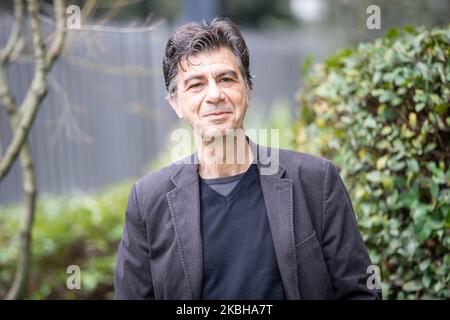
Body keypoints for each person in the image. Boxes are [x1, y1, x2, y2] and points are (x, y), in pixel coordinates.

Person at [114, 17, 381, 300]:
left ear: (248, 91)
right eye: (196, 85)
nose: (215, 94)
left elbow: (361, 293)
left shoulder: (316, 181)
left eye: (226, 79)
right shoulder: (147, 201)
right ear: (176, 103)